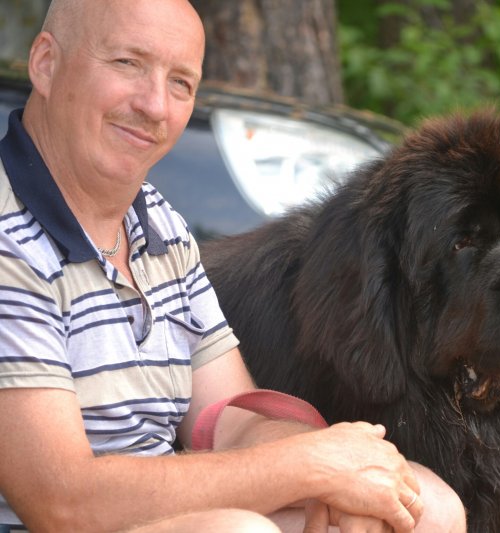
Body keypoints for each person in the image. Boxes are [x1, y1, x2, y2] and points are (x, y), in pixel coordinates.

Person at [0, 1, 467, 531]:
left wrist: (348, 473)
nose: (155, 105)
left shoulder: (159, 225)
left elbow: (232, 420)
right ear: (45, 63)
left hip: (155, 513)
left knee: (425, 506)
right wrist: (308, 466)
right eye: (127, 63)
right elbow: (62, 502)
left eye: (181, 82)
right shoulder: (9, 241)